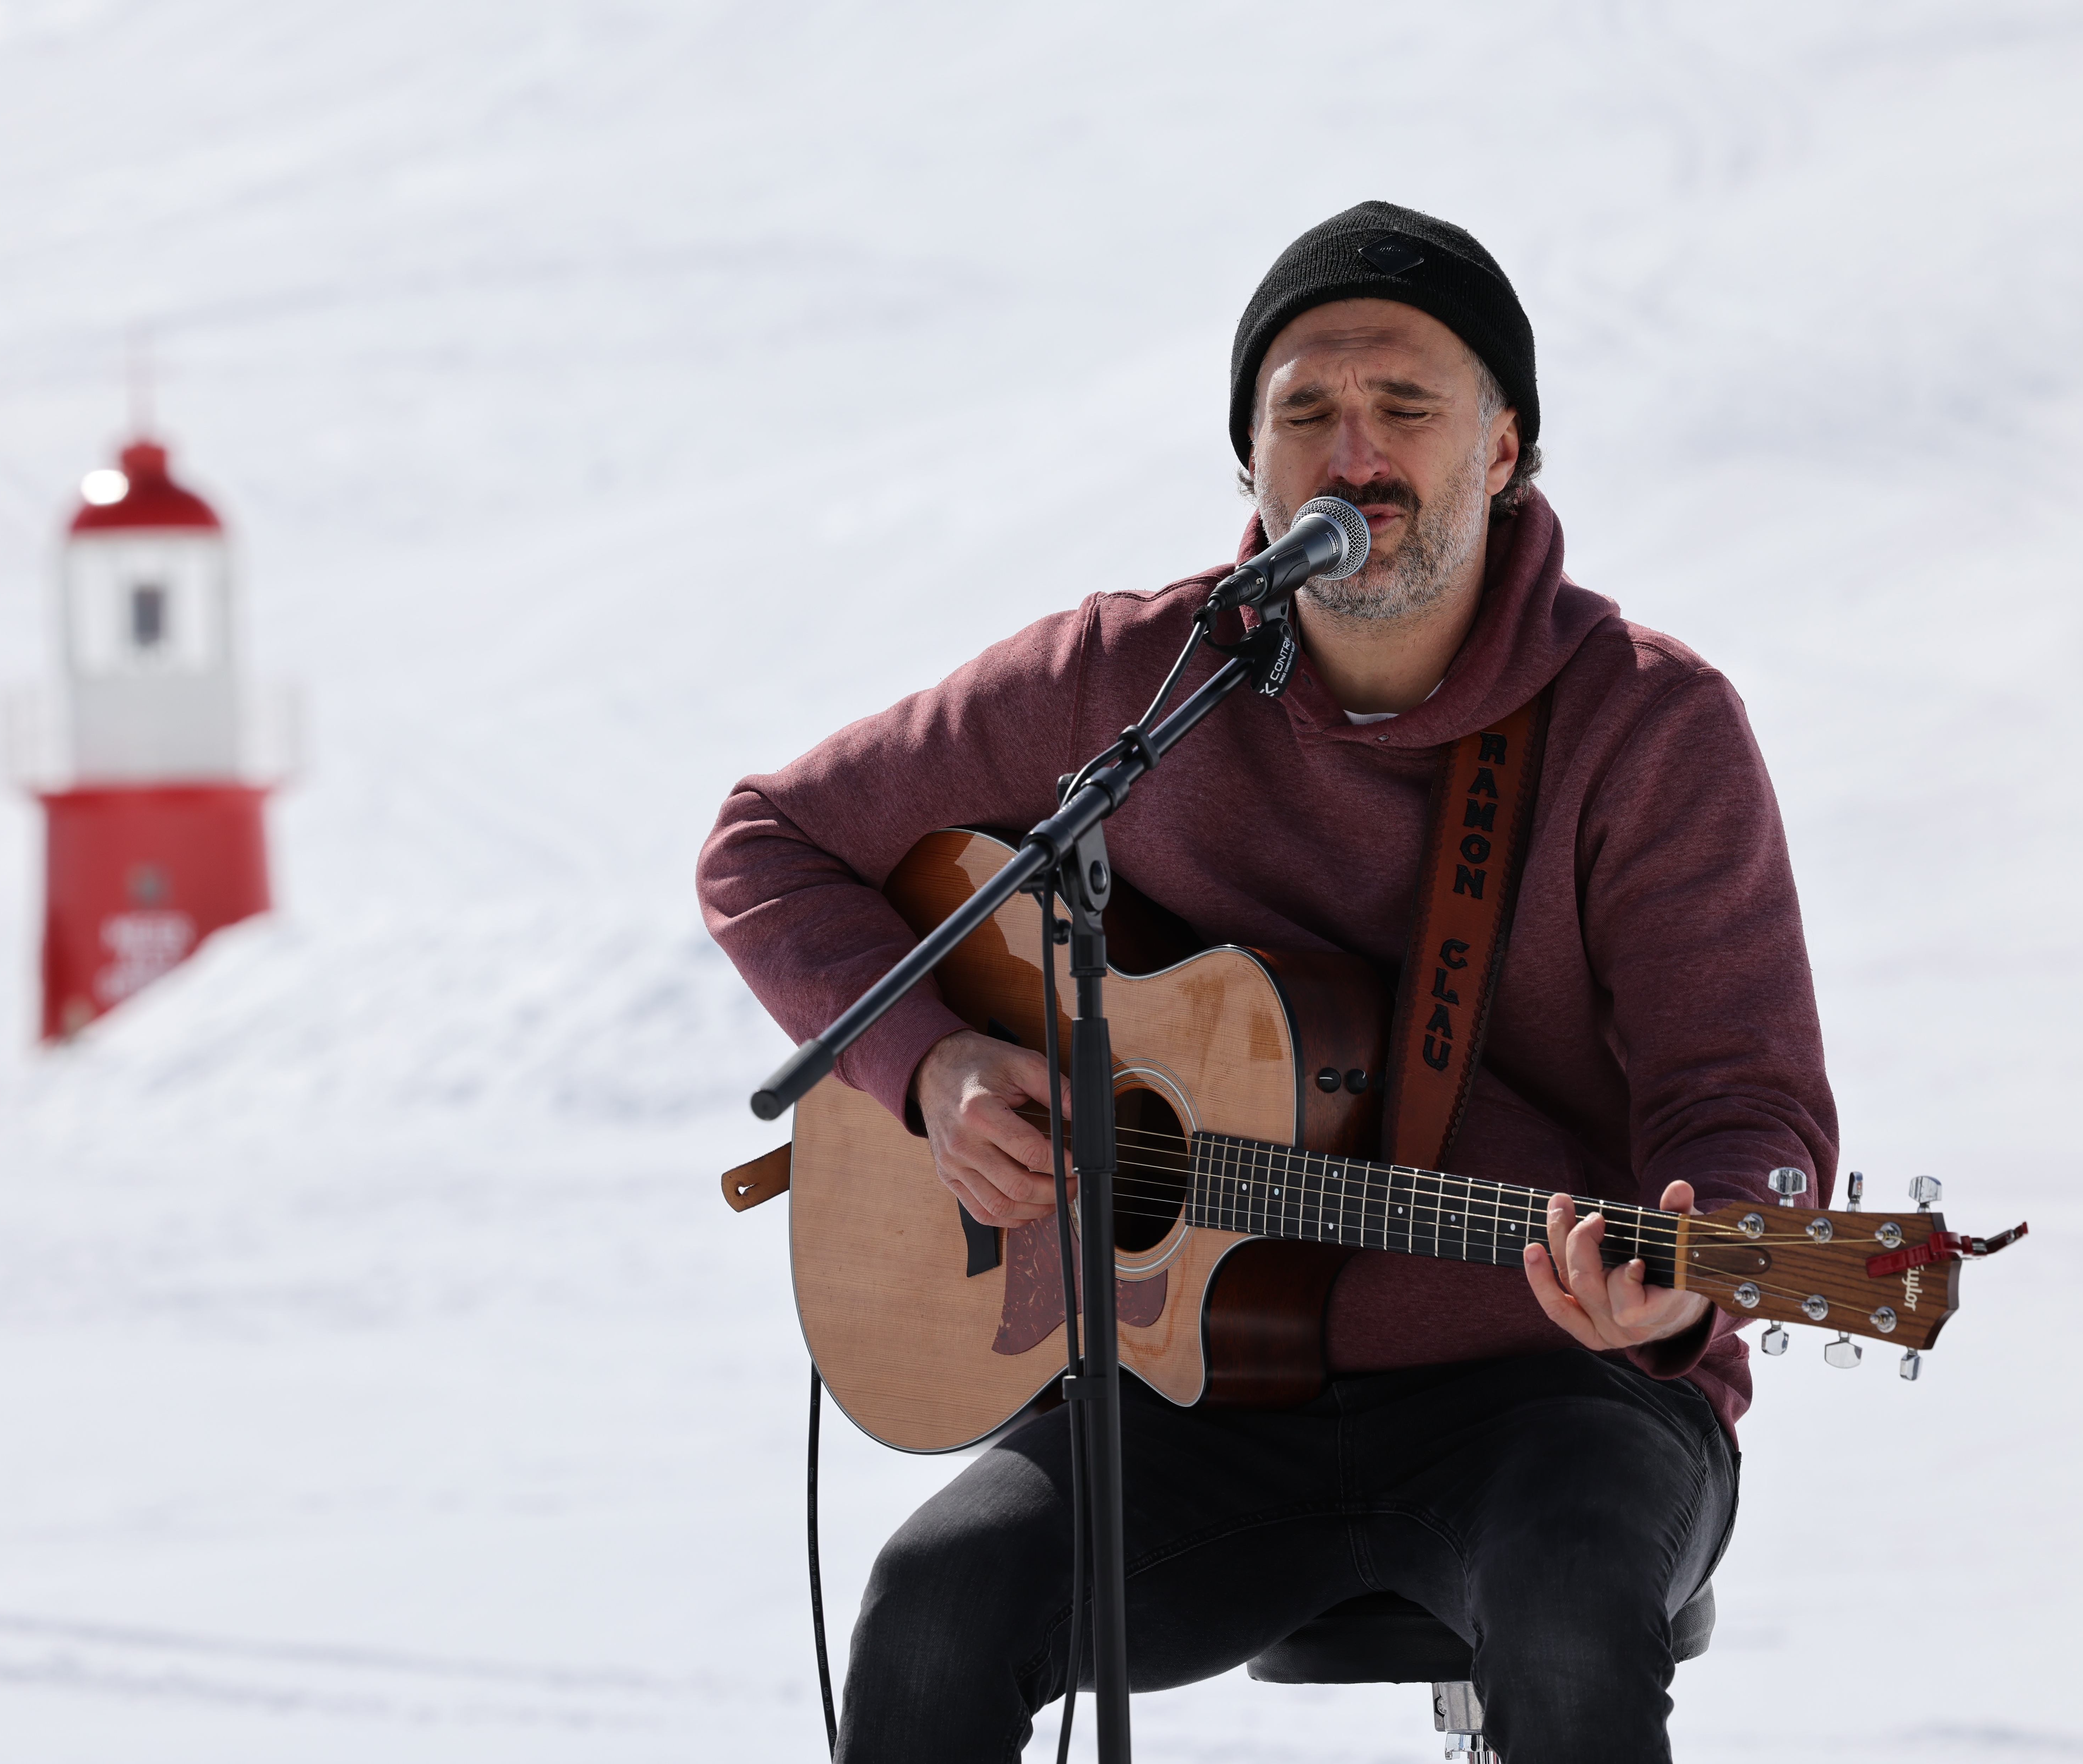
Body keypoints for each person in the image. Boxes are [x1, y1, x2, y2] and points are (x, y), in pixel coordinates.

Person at [696, 200, 1836, 1763]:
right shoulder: (1127, 682)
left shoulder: (1644, 725)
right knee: (933, 1603)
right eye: (1302, 412)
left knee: (1569, 1606)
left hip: (1553, 1391)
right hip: (1199, 1387)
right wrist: (935, 1066)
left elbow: (1742, 1095)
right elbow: (766, 842)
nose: (1350, 452)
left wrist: (1699, 1251)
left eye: (1405, 407)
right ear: (1249, 463)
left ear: (1502, 451)